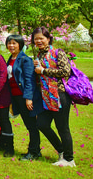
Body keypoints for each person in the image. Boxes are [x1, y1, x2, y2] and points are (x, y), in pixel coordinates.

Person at [32, 27, 75, 167]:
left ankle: (69, 159)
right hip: (47, 97)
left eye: (41, 38)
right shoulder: (40, 55)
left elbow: (65, 71)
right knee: (42, 124)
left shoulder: (58, 52)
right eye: (36, 39)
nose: (38, 41)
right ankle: (62, 151)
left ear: (48, 39)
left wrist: (43, 70)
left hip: (59, 95)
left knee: (62, 127)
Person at [6, 34, 43, 161]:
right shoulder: (11, 58)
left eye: (14, 43)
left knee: (31, 125)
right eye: (9, 43)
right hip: (16, 97)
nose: (11, 46)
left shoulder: (25, 59)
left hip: (24, 97)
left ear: (20, 45)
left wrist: (28, 98)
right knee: (29, 125)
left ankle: (34, 152)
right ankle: (35, 151)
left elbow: (29, 80)